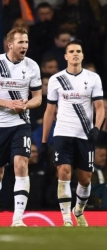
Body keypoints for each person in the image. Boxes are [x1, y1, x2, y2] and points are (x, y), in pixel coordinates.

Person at [0, 27, 42, 227]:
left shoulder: (32, 66)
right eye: (20, 42)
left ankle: (17, 218)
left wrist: (25, 104)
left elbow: (38, 98)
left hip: (21, 123)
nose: (24, 46)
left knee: (21, 163)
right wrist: (8, 104)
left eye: (26, 42)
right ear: (10, 45)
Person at [41, 39, 105, 227]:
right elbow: (49, 112)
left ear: (82, 55)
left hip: (85, 134)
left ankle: (78, 210)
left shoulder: (93, 78)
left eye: (78, 50)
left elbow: (100, 108)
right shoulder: (56, 79)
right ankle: (66, 218)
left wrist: (96, 129)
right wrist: (45, 141)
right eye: (72, 51)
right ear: (66, 56)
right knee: (64, 172)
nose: (75, 54)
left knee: (85, 179)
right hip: (62, 132)